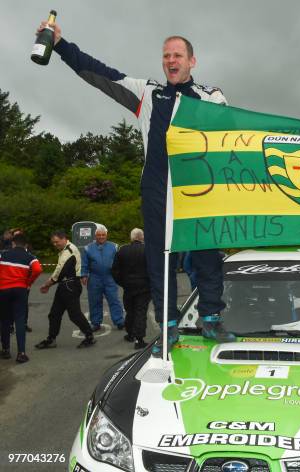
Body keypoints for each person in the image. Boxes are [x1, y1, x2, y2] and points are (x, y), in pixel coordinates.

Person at [38, 20, 234, 357]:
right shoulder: (147, 92)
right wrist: (60, 44)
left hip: (198, 190)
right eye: (165, 56)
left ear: (192, 61)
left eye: (177, 55)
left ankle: (212, 317)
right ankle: (169, 326)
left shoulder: (210, 95)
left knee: (207, 254)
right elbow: (99, 73)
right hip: (158, 190)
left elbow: (229, 135)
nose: (170, 61)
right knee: (159, 260)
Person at [36, 231, 96, 349]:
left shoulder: (69, 251)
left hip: (70, 286)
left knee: (74, 314)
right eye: (53, 242)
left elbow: (59, 272)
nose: (55, 244)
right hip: (65, 285)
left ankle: (90, 337)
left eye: (57, 242)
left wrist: (47, 284)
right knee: (54, 314)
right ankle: (51, 339)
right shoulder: (64, 250)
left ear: (64, 239)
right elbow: (59, 271)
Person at [0, 233, 43, 363]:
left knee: (5, 320)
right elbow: (38, 269)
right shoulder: (30, 256)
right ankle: (21, 353)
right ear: (25, 245)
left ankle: (6, 350)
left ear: (13, 243)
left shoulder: (3, 254)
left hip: (3, 290)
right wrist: (28, 282)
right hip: (20, 290)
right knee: (20, 320)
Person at [111, 228, 150, 349]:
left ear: (131, 237)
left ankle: (130, 334)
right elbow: (153, 269)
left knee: (130, 310)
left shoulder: (122, 251)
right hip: (144, 287)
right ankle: (139, 339)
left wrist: (122, 283)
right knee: (140, 312)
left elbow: (115, 270)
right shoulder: (148, 250)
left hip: (128, 287)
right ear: (142, 237)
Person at [81, 225, 124, 331]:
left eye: (103, 235)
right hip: (94, 278)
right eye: (99, 235)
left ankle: (119, 321)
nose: (101, 237)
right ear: (95, 236)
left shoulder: (114, 247)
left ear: (106, 235)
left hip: (110, 277)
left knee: (114, 300)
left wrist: (120, 274)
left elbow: (120, 262)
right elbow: (84, 264)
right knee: (94, 301)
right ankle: (95, 323)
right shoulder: (88, 248)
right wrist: (84, 275)